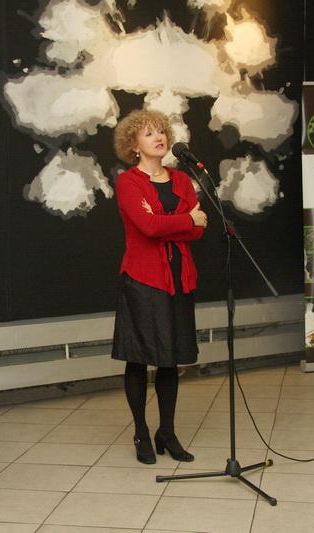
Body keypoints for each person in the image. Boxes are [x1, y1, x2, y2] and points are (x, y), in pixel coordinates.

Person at [111, 110, 208, 464]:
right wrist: (184, 219)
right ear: (133, 145)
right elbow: (148, 227)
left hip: (180, 277)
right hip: (143, 280)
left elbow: (199, 229)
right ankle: (141, 432)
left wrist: (175, 223)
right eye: (149, 133)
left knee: (170, 359)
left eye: (161, 131)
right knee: (139, 358)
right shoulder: (129, 182)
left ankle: (166, 432)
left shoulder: (181, 179)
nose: (158, 137)